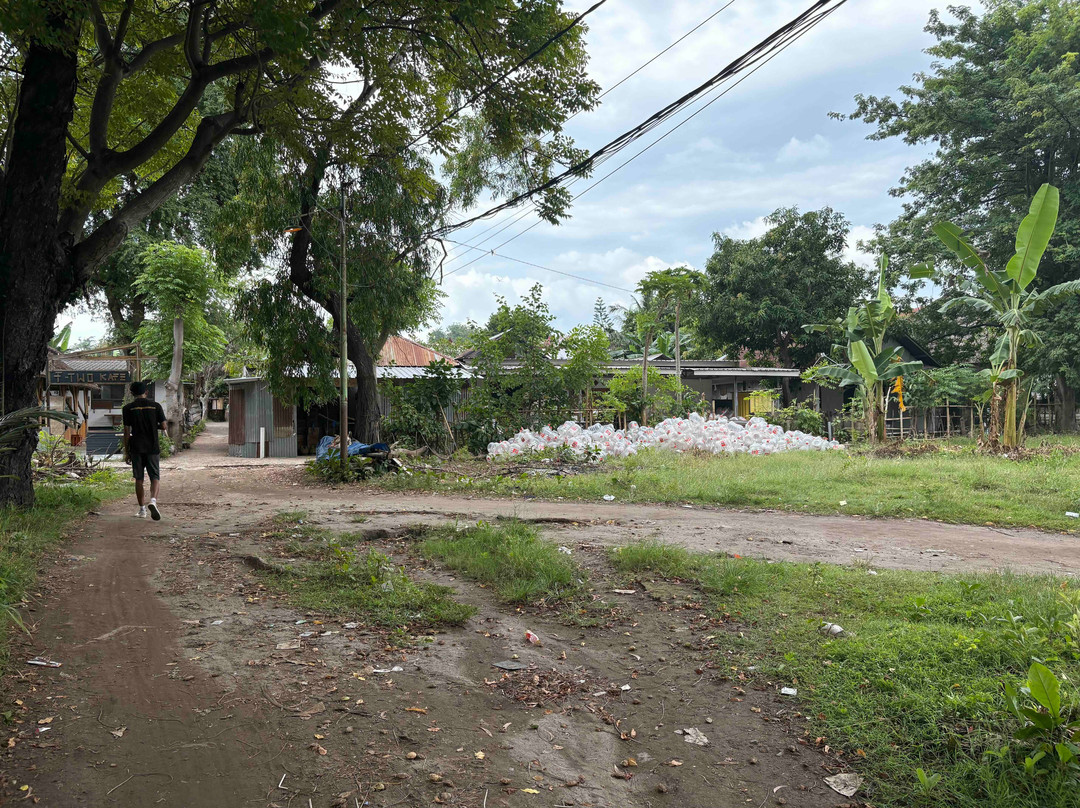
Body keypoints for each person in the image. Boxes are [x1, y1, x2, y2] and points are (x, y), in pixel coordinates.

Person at [121, 381, 167, 520]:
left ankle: (142, 510)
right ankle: (153, 501)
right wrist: (153, 425)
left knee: (139, 479)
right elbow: (164, 426)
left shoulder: (128, 408)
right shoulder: (156, 406)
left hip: (136, 447)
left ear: (132, 393)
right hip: (152, 446)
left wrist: (127, 451)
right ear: (146, 392)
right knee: (155, 477)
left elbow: (126, 431)